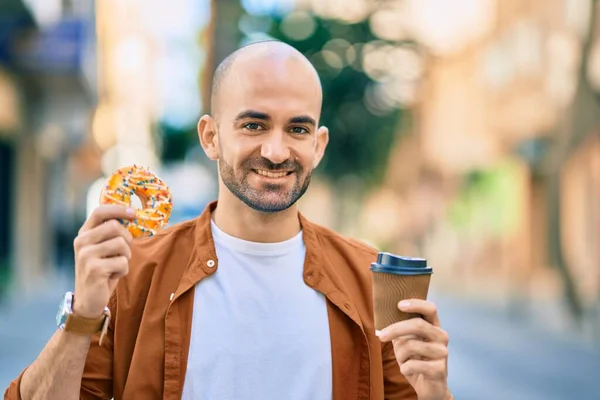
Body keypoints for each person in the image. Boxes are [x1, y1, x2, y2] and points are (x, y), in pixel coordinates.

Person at [4, 40, 452, 400]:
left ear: (318, 144)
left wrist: (433, 391)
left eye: (297, 129)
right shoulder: (135, 273)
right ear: (210, 136)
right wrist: (83, 314)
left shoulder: (370, 281)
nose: (276, 152)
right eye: (254, 126)